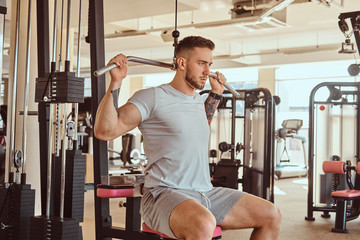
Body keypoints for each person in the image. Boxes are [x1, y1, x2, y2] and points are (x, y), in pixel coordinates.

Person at [94, 36, 281, 240]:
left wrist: (216, 94)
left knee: (271, 215)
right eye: (201, 64)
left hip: (204, 193)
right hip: (163, 194)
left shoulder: (197, 101)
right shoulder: (153, 96)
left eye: (209, 64)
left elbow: (195, 128)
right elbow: (105, 131)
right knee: (203, 223)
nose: (208, 71)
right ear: (181, 63)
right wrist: (116, 82)